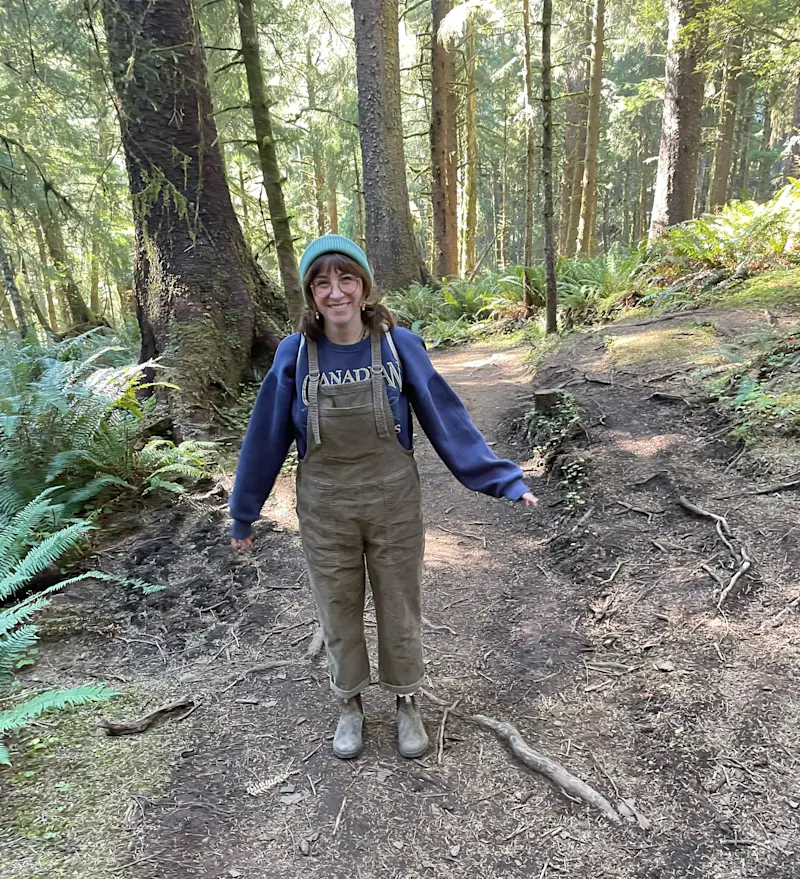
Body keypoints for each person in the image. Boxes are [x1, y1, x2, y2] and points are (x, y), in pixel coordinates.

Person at [230, 234, 537, 760]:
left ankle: (406, 701)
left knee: (399, 604)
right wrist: (244, 512)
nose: (335, 292)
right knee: (338, 605)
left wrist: (501, 478)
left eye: (345, 278)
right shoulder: (294, 354)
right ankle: (349, 703)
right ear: (309, 293)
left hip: (392, 500)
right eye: (321, 282)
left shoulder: (399, 345)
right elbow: (266, 436)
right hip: (325, 506)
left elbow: (447, 418)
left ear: (364, 285)